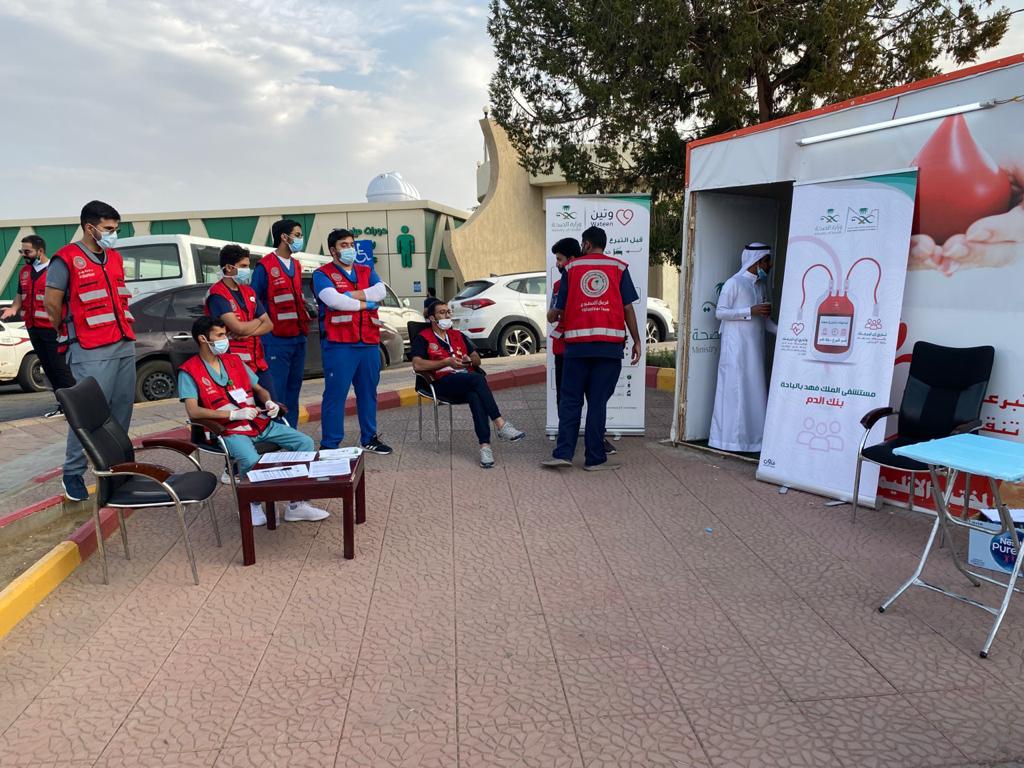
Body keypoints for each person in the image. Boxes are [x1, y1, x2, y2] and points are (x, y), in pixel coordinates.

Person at [178, 316, 328, 526]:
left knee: (305, 443)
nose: (225, 340)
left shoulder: (234, 361)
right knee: (250, 459)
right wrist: (233, 415)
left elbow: (260, 389)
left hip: (258, 422)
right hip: (229, 429)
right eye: (220, 335)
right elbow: (193, 411)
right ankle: (252, 504)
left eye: (225, 334)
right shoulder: (189, 371)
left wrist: (269, 402)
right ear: (203, 339)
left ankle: (297, 504)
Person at [44, 201, 136, 502]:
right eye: (108, 229)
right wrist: (65, 330)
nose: (113, 234)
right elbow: (51, 303)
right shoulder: (66, 258)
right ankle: (72, 473)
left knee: (122, 410)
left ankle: (117, 469)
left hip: (123, 342)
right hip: (89, 347)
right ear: (89, 227)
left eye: (115, 229)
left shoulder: (115, 258)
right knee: (87, 413)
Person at [542, 225, 641, 471]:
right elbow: (628, 308)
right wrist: (637, 340)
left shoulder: (571, 269)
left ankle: (563, 453)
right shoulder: (619, 267)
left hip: (576, 348)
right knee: (597, 403)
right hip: (609, 349)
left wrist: (555, 313)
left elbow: (558, 310)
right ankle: (595, 459)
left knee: (570, 401)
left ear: (586, 244)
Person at [412, 301, 525, 467]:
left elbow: (477, 359)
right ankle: (500, 423)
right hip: (441, 381)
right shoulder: (423, 337)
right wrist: (446, 362)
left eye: (448, 312)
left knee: (475, 395)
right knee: (477, 380)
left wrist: (469, 360)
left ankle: (485, 447)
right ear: (432, 318)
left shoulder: (457, 335)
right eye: (442, 312)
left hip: (465, 379)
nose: (447, 315)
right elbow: (417, 365)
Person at [313, 228, 393, 454]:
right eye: (344, 245)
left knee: (368, 393)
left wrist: (352, 295)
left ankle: (369, 438)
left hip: (368, 342)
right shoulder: (322, 274)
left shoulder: (366, 270)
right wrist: (367, 303)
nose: (350, 249)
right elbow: (335, 301)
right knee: (335, 395)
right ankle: (330, 444)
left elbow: (381, 292)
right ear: (333, 250)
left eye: (351, 244)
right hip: (340, 344)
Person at [548, 237, 617, 456]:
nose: (557, 264)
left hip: (584, 347)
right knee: (571, 399)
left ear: (571, 258)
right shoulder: (560, 284)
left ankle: (592, 442)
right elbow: (551, 315)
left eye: (560, 259)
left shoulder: (585, 278)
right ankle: (569, 443)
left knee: (591, 399)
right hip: (569, 348)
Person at [708, 242, 773, 453]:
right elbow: (721, 312)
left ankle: (754, 441)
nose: (770, 265)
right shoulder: (734, 283)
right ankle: (728, 441)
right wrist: (750, 310)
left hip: (754, 351)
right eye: (767, 261)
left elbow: (764, 321)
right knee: (735, 393)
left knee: (754, 393)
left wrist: (787, 336)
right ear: (756, 261)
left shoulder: (760, 286)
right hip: (735, 350)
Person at [2, 235, 75, 418]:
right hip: (33, 329)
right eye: (21, 251)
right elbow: (20, 297)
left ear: (40, 251)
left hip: (53, 328)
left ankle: (75, 405)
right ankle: (63, 405)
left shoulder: (54, 270)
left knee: (60, 368)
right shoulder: (24, 272)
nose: (23, 254)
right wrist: (13, 309)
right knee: (48, 368)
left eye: (27, 251)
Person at [250, 218, 308, 428]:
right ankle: (276, 434)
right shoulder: (265, 266)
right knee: (277, 392)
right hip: (275, 339)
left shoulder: (297, 265)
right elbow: (254, 302)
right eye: (297, 235)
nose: (300, 239)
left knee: (294, 389)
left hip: (298, 337)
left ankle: (291, 433)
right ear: (284, 237)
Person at [205, 244, 274, 395]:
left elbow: (269, 324)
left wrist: (249, 331)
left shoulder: (249, 291)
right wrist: (258, 321)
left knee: (272, 404)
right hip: (233, 365)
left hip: (258, 363)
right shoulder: (218, 294)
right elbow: (238, 328)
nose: (247, 270)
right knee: (245, 405)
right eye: (243, 266)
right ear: (229, 268)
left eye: (248, 266)